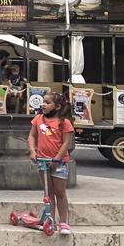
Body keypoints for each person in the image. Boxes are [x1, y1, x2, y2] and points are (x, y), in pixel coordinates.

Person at [28, 92, 75, 235]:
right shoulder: (38, 119)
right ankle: (51, 220)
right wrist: (32, 150)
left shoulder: (64, 122)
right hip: (42, 161)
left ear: (58, 106)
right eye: (44, 101)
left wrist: (57, 158)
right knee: (48, 193)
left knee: (60, 192)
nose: (43, 104)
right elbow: (31, 135)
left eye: (47, 102)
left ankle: (64, 222)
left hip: (59, 163)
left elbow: (66, 142)